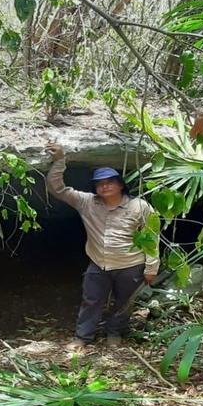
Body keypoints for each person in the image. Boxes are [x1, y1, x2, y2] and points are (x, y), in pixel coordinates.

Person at [44, 142, 159, 350]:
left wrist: (152, 267)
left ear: (121, 184)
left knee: (124, 302)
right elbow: (57, 189)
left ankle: (114, 332)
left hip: (130, 265)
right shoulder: (87, 202)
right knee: (91, 300)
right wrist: (60, 160)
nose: (104, 186)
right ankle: (83, 337)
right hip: (98, 263)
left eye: (109, 182)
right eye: (99, 184)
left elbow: (152, 236)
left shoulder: (139, 206)